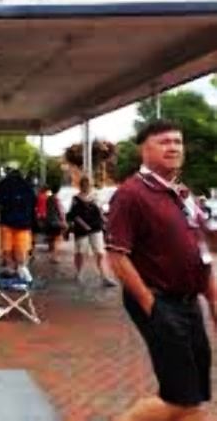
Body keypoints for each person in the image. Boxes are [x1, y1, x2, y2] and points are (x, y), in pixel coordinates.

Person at [107, 120, 217, 421]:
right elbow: (117, 256)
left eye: (177, 142)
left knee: (193, 395)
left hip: (188, 303)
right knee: (180, 398)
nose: (173, 147)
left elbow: (200, 250)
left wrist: (212, 298)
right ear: (144, 150)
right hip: (159, 300)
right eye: (164, 142)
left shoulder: (182, 193)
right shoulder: (130, 194)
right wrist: (150, 304)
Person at [67, 176, 117, 287]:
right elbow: (73, 215)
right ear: (81, 186)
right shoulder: (76, 199)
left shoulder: (95, 197)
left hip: (95, 228)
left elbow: (100, 211)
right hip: (81, 229)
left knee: (100, 252)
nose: (87, 186)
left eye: (88, 184)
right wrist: (83, 225)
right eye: (84, 184)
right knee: (80, 252)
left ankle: (104, 276)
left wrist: (106, 221)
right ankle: (79, 273)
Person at [0, 167, 36, 281]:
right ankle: (21, 270)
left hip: (7, 223)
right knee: (22, 250)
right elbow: (33, 203)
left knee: (7, 249)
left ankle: (10, 270)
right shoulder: (27, 186)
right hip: (23, 225)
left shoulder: (3, 184)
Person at [44, 183, 67, 264]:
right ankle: (54, 257)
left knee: (52, 239)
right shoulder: (56, 199)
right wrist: (63, 221)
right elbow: (60, 211)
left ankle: (52, 256)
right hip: (56, 222)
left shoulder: (48, 199)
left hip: (49, 221)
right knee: (57, 240)